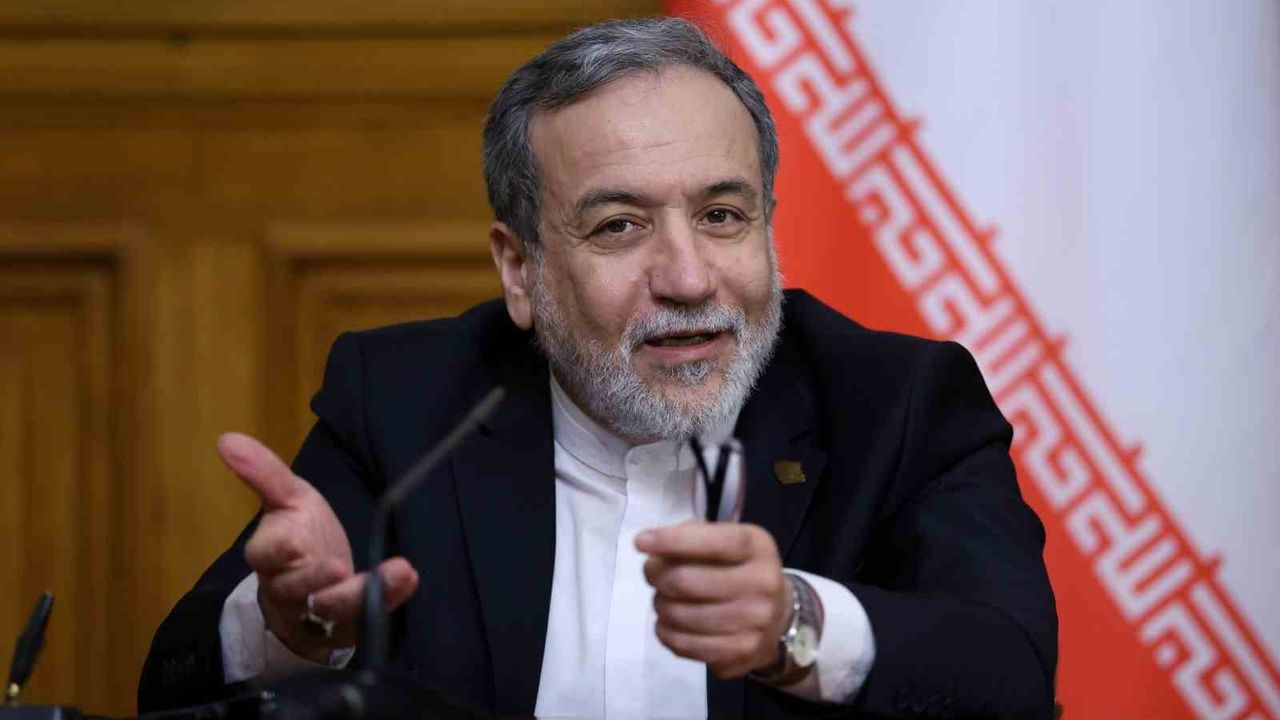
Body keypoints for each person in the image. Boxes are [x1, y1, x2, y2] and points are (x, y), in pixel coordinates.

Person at [138, 17, 1056, 719]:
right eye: (620, 227)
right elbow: (170, 684)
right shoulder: (410, 404)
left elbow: (1012, 675)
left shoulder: (896, 404)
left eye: (723, 216)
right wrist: (293, 627)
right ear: (520, 269)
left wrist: (792, 623)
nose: (688, 278)